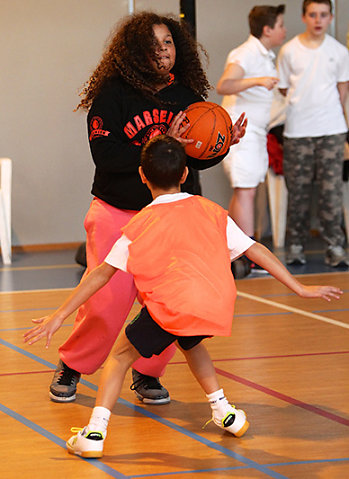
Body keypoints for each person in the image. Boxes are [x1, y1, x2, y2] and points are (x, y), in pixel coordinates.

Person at [24, 136, 342, 459]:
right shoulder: (211, 210)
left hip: (172, 307)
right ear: (185, 174)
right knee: (191, 342)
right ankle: (223, 411)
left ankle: (95, 431)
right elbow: (255, 249)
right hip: (213, 304)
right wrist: (299, 287)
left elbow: (100, 275)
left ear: (142, 176)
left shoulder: (138, 225)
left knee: (119, 358)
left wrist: (60, 315)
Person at [49, 12, 247, 405]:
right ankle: (73, 364)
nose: (164, 52)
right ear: (135, 52)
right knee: (105, 303)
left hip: (171, 216)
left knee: (171, 305)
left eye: (169, 43)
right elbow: (105, 155)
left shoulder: (187, 95)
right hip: (117, 211)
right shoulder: (113, 93)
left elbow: (191, 160)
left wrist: (221, 144)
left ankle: (147, 372)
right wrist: (159, 146)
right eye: (154, 45)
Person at [277, 0, 349, 267]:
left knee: (330, 194)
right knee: (298, 192)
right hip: (298, 132)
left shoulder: (340, 52)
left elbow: (342, 90)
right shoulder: (289, 51)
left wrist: (339, 122)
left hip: (331, 132)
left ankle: (336, 247)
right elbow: (284, 88)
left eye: (323, 15)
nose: (318, 20)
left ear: (330, 18)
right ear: (304, 17)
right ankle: (295, 245)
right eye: (313, 15)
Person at [216, 5, 286, 274]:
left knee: (246, 191)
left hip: (256, 132)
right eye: (280, 25)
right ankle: (248, 255)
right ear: (268, 29)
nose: (284, 30)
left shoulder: (265, 54)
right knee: (246, 191)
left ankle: (238, 252)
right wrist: (257, 80)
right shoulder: (246, 52)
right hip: (241, 133)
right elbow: (225, 84)